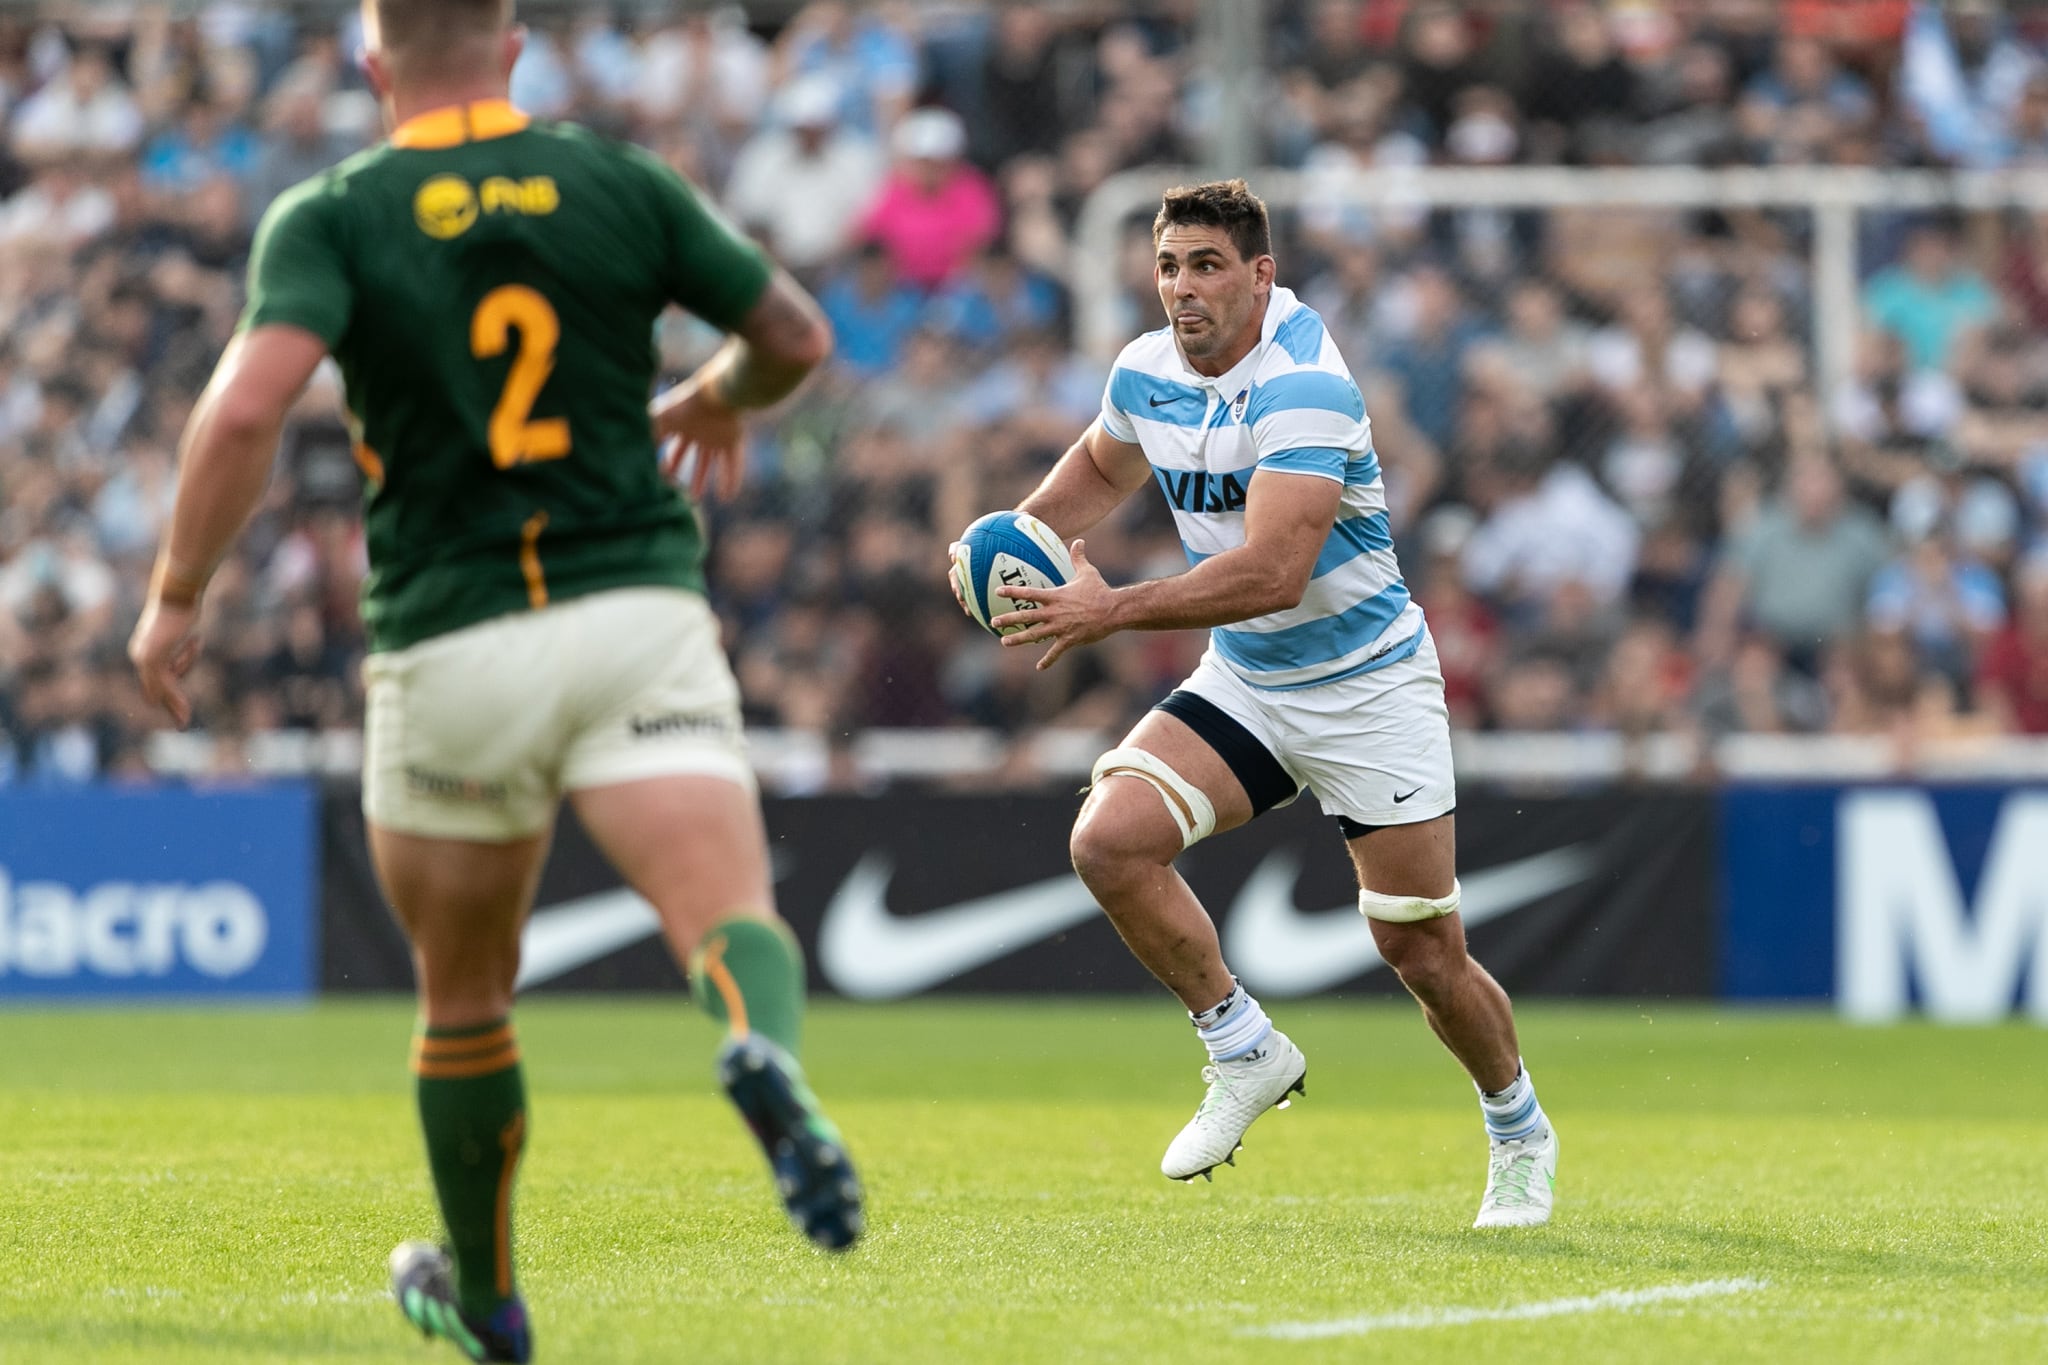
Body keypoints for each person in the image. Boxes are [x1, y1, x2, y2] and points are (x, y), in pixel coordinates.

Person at [127, 3, 861, 1360]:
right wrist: (715, 395)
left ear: (371, 62)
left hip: (450, 637)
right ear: (513, 47)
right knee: (723, 912)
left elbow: (243, 409)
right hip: (635, 607)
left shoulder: (336, 212)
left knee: (465, 999)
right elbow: (798, 337)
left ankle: (486, 1299)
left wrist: (176, 595)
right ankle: (768, 1056)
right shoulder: (619, 179)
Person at [970, 180, 1557, 1228]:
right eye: (1166, 266)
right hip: (1248, 679)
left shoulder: (1305, 386)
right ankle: (1242, 1049)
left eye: (1204, 266)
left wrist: (1110, 612)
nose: (1181, 288)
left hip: (1368, 687)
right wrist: (996, 549)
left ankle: (1516, 1128)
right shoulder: (1144, 372)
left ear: (1259, 275)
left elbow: (1273, 572)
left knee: (1420, 952)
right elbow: (1088, 484)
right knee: (1109, 842)